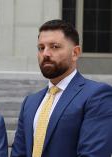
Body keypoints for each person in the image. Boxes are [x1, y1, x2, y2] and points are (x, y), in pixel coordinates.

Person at [11, 19, 112, 157]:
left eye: (54, 46)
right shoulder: (30, 102)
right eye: (41, 48)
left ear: (75, 53)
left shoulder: (97, 95)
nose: (45, 53)